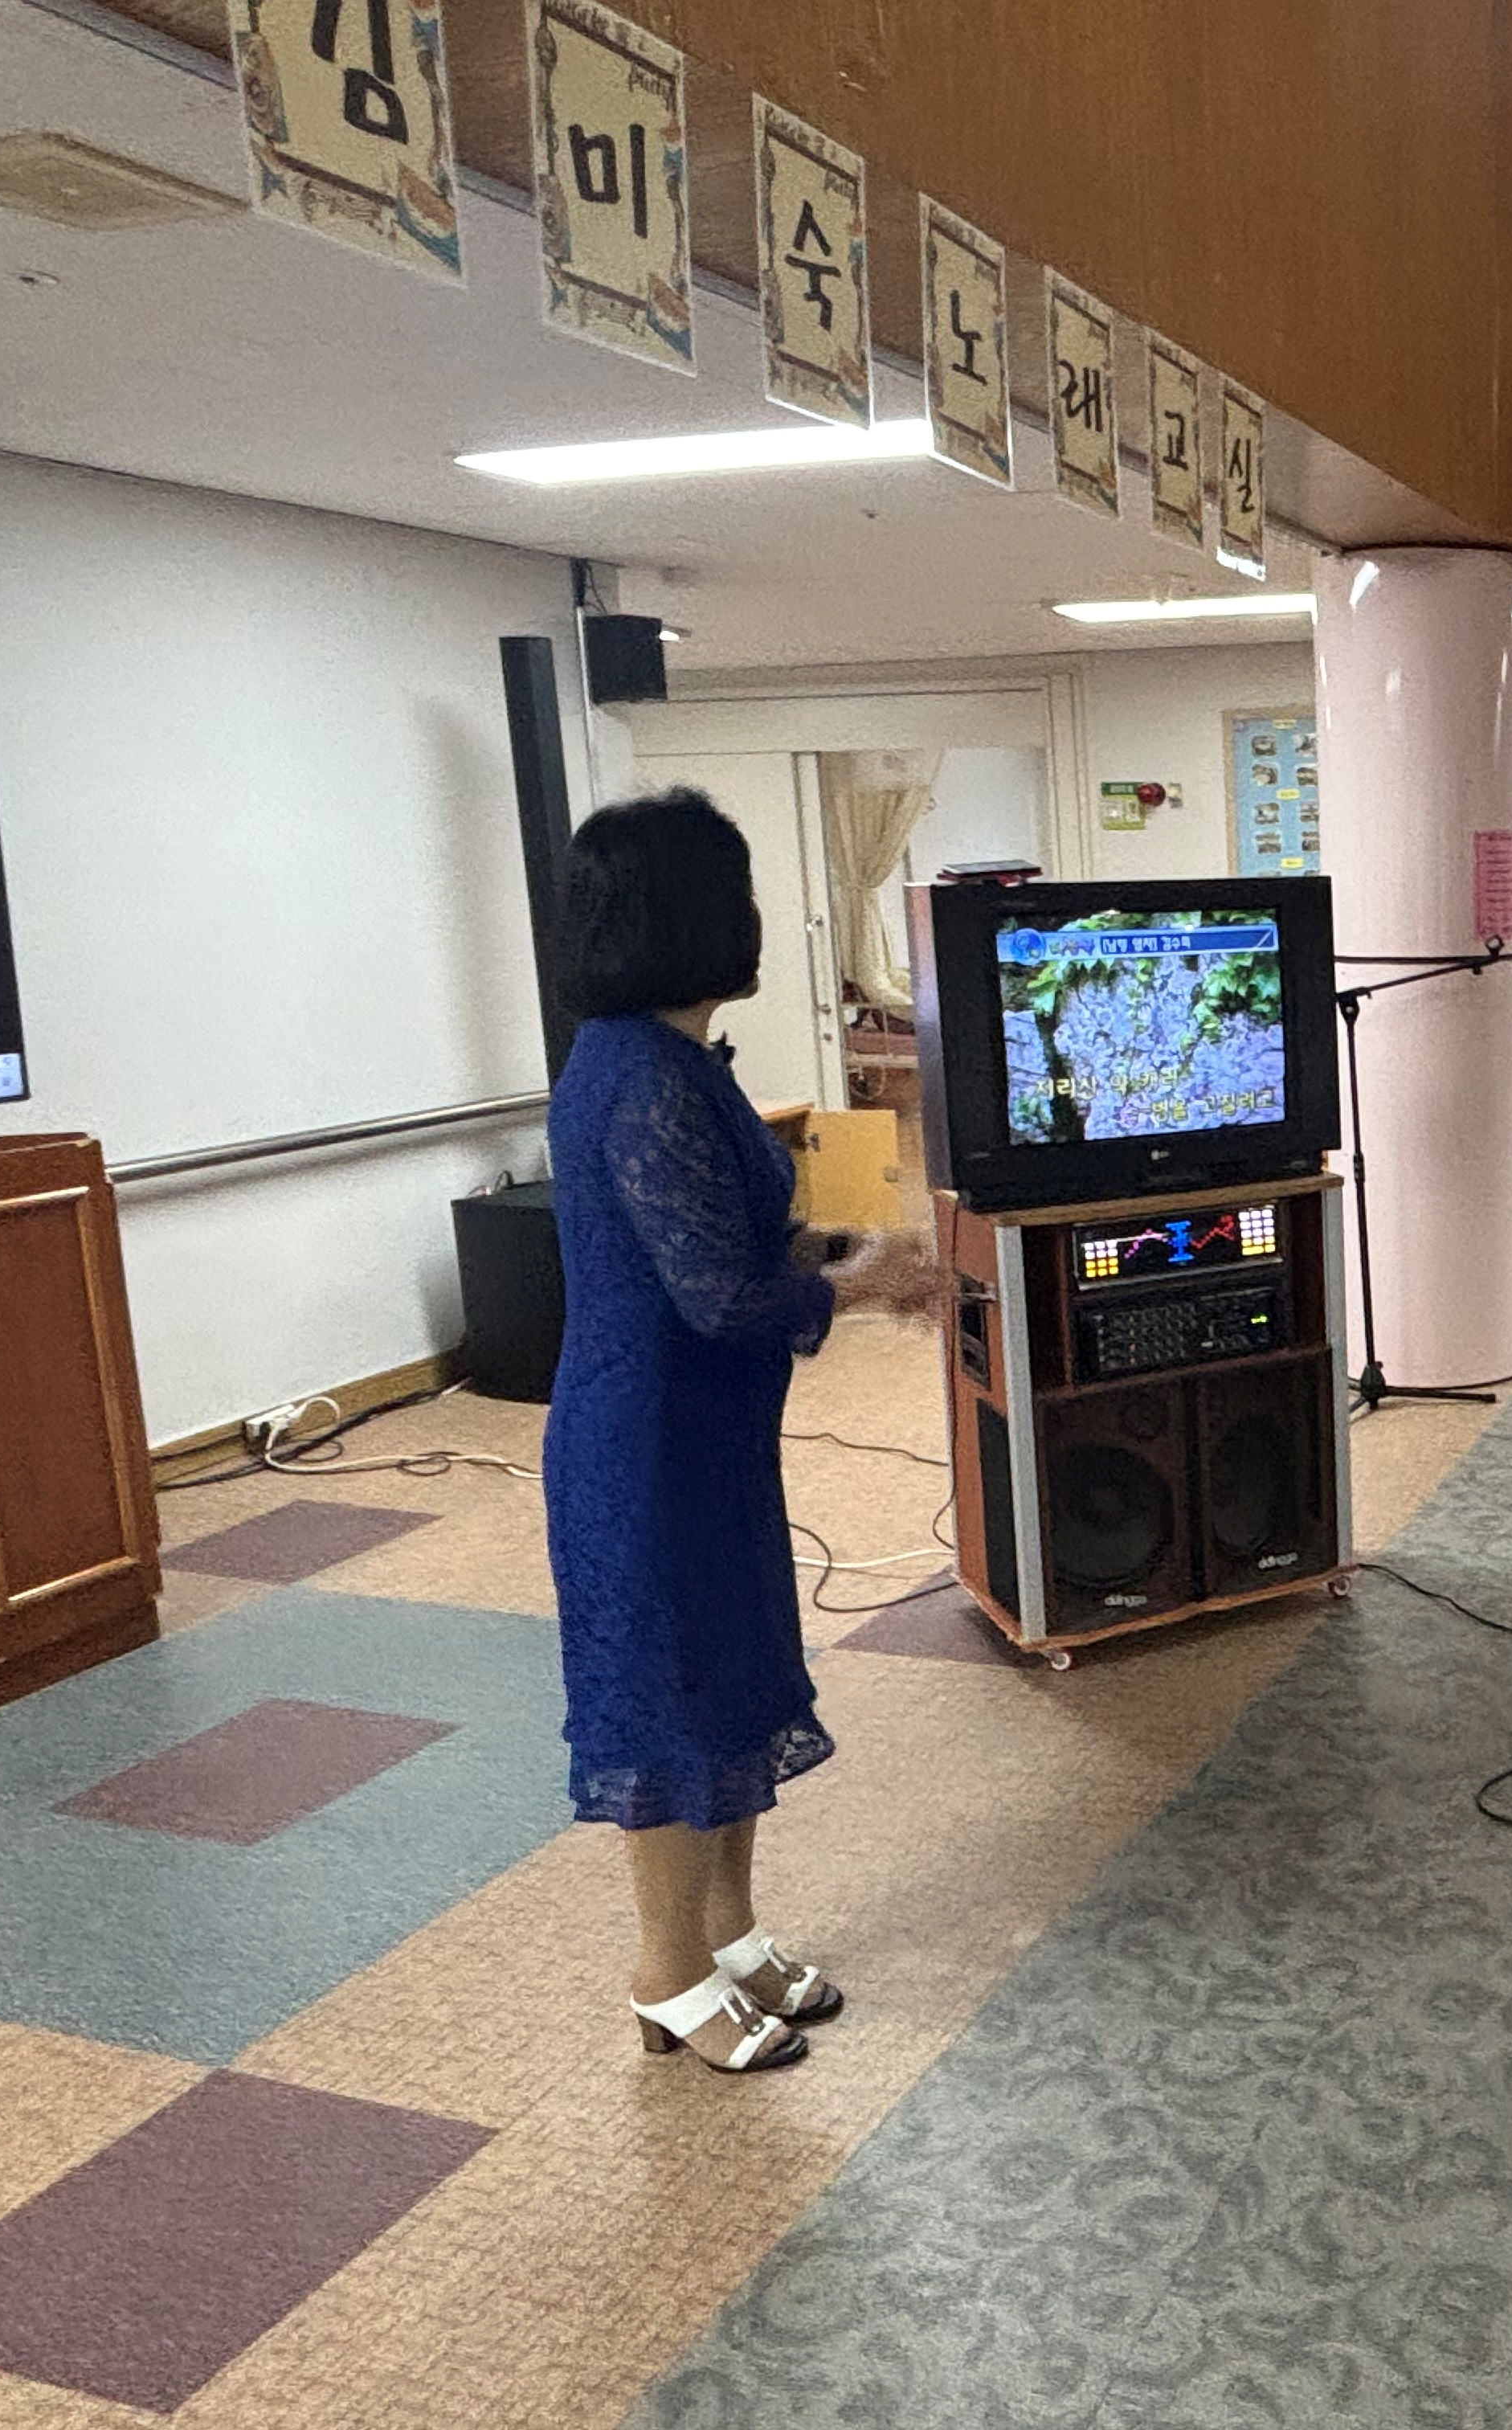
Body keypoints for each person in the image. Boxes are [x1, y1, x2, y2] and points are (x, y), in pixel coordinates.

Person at [546, 788, 939, 2074]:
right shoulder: (637, 1076)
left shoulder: (672, 1061)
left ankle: (730, 1935)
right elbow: (717, 1296)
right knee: (670, 1698)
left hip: (706, 1436)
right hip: (645, 1447)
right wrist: (860, 1284)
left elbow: (736, 1239)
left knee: (732, 1683)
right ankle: (667, 1974)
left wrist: (854, 1253)